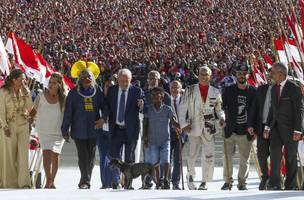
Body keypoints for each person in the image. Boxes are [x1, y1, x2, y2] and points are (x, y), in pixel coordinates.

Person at [61, 60, 107, 189]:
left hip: (94, 129)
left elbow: (105, 107)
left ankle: (86, 179)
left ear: (93, 78)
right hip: (78, 129)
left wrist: (103, 118)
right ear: (79, 79)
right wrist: (64, 130)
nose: (87, 79)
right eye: (84, 77)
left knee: (91, 156)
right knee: (83, 155)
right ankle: (85, 180)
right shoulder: (73, 93)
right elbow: (68, 114)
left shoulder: (97, 91)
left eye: (89, 77)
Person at [179, 65, 225, 190]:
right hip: (193, 125)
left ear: (210, 76)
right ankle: (190, 176)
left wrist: (222, 118)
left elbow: (219, 110)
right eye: (202, 74)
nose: (204, 77)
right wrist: (183, 124)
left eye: (206, 75)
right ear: (198, 75)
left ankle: (205, 181)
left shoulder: (215, 92)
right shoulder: (189, 90)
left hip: (209, 126)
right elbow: (182, 108)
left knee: (209, 155)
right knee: (192, 154)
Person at [264, 62, 304, 190]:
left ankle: (290, 184)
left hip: (292, 129)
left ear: (281, 74)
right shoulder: (273, 88)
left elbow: (299, 110)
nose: (271, 75)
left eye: (273, 72)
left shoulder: (294, 88)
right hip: (276, 128)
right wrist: (267, 127)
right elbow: (272, 109)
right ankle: (275, 183)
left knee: (290, 157)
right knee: (275, 154)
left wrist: (298, 129)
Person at [105, 68, 144, 189]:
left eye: (127, 81)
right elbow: (107, 106)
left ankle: (127, 183)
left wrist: (142, 105)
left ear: (130, 80)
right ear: (118, 80)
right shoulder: (111, 91)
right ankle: (115, 181)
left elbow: (144, 104)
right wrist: (104, 117)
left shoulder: (137, 91)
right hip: (116, 129)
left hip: (130, 130)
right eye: (121, 81)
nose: (124, 84)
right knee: (115, 157)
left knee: (129, 158)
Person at [221, 60, 256, 190]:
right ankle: (227, 182)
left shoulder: (253, 91)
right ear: (235, 74)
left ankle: (242, 183)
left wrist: (255, 130)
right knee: (226, 157)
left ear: (248, 75)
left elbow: (256, 112)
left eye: (244, 73)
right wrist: (222, 119)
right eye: (239, 73)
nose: (241, 75)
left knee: (244, 160)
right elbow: (222, 107)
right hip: (230, 130)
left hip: (246, 131)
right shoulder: (228, 90)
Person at [29, 72, 67, 189]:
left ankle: (52, 180)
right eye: (50, 82)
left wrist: (67, 130)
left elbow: (68, 116)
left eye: (54, 83)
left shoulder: (64, 98)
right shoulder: (41, 95)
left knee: (55, 155)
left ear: (59, 85)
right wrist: (29, 120)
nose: (50, 85)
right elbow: (33, 112)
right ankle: (48, 180)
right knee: (46, 153)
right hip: (44, 130)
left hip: (58, 131)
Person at [0, 68, 32, 188]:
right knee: (10, 155)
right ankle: (10, 183)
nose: (24, 81)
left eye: (24, 79)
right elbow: (1, 112)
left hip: (23, 125)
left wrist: (27, 93)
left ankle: (24, 183)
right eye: (21, 79)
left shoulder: (25, 91)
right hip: (10, 126)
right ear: (14, 80)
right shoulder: (3, 92)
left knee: (24, 154)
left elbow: (30, 108)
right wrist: (5, 126)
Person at [143, 87, 180, 189]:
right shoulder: (148, 109)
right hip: (152, 140)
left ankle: (166, 179)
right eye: (154, 94)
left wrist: (178, 126)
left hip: (165, 139)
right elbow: (145, 123)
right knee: (155, 162)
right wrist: (144, 137)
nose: (156, 96)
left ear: (162, 96)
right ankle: (158, 181)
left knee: (165, 160)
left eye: (158, 94)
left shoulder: (167, 109)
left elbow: (173, 121)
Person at [247, 69, 273, 190]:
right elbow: (254, 108)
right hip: (261, 127)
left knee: (276, 155)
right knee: (262, 154)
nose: (269, 77)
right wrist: (250, 125)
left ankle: (275, 178)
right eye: (268, 75)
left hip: (276, 128)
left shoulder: (283, 90)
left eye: (272, 74)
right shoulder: (261, 89)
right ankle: (265, 176)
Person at [169, 80, 187, 190]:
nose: (175, 89)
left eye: (177, 87)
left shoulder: (185, 101)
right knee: (166, 159)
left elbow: (188, 116)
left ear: (181, 89)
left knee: (178, 159)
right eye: (173, 87)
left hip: (181, 133)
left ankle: (175, 182)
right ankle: (165, 181)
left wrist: (183, 127)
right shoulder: (166, 100)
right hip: (167, 133)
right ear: (170, 88)